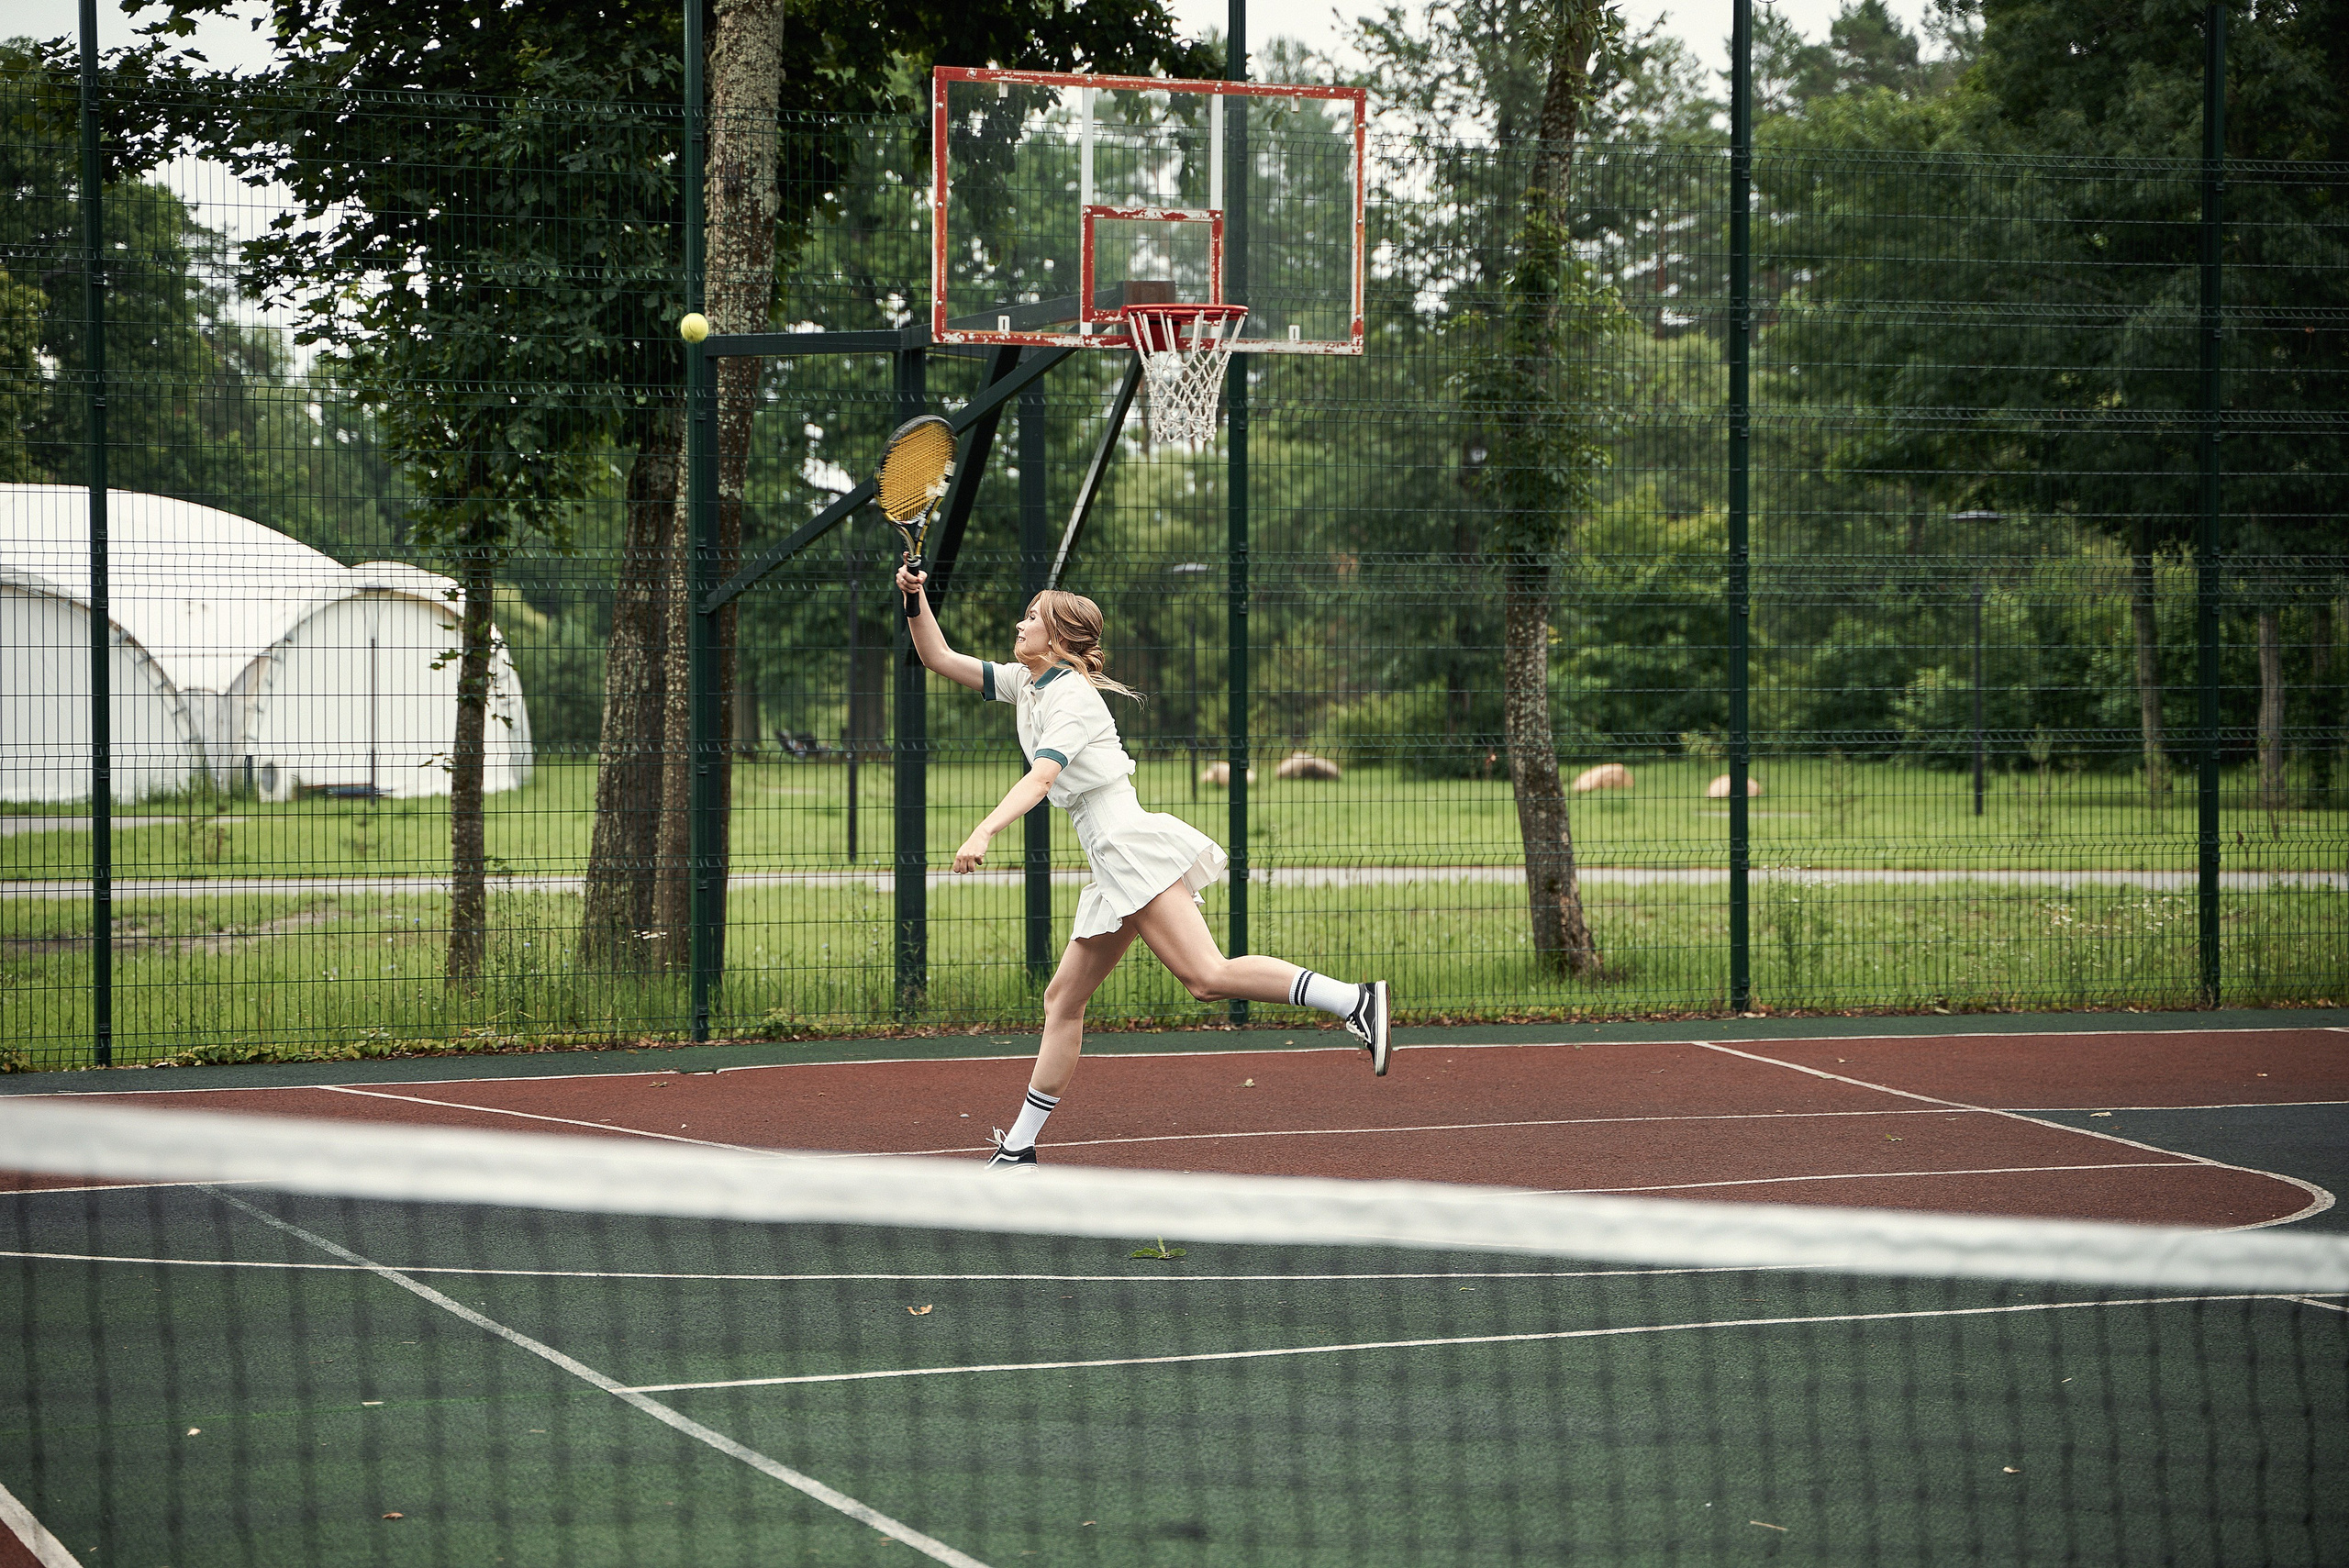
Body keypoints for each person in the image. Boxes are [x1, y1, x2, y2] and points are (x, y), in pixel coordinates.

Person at [896, 564, 1391, 1169]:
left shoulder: (1072, 698)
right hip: (1112, 859)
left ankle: (1356, 1000)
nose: (1018, 624)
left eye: (1031, 617)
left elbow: (1043, 776)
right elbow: (938, 655)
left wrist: (984, 828)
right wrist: (915, 598)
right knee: (1063, 1002)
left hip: (1129, 845)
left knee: (1206, 976)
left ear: (1055, 638)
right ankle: (1020, 1148)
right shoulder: (1028, 684)